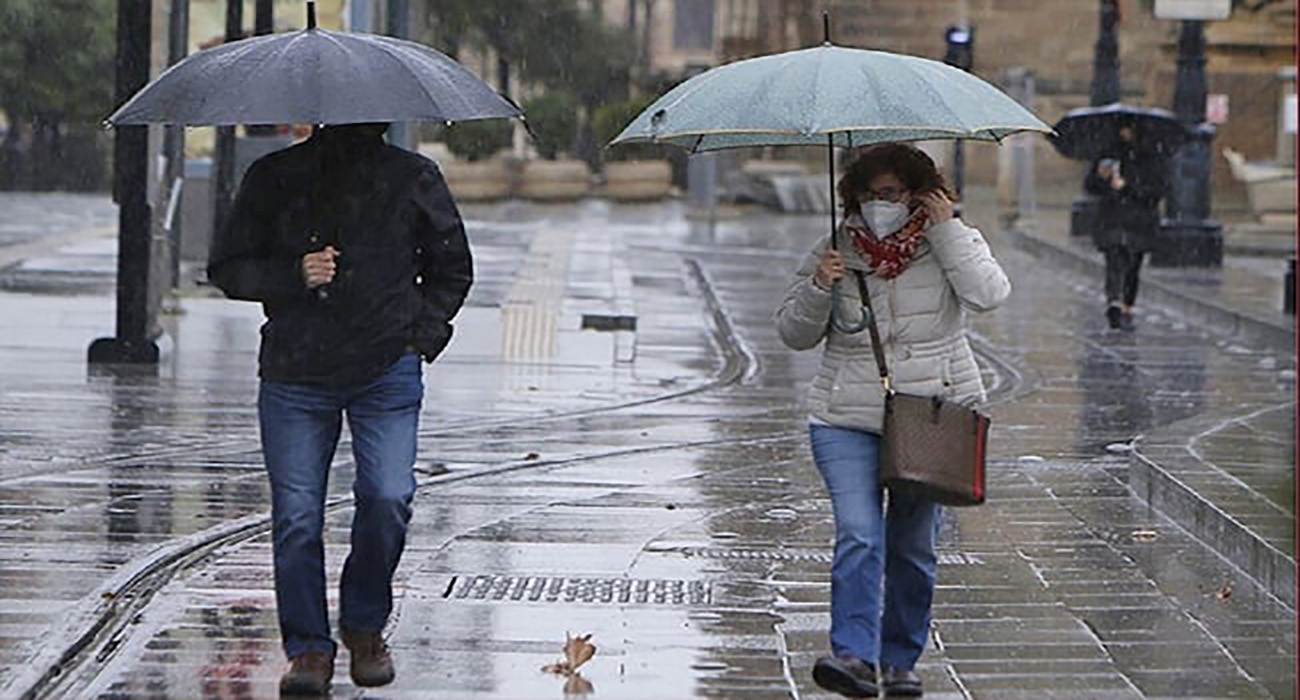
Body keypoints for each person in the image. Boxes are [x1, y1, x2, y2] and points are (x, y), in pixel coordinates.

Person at [208, 122, 472, 696]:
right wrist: (294, 274)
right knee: (298, 516)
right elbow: (227, 267)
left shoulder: (413, 178)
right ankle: (307, 651)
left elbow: (452, 268)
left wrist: (417, 338)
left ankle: (364, 625)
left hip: (386, 371)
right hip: (295, 373)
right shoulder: (275, 176)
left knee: (387, 497)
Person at [774, 144, 1010, 698]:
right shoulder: (834, 249)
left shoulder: (951, 241)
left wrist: (947, 229)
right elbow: (793, 334)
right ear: (852, 196)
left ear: (918, 195)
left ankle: (898, 660)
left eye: (892, 195)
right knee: (859, 532)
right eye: (870, 195)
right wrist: (818, 287)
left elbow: (989, 295)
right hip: (845, 416)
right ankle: (852, 656)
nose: (880, 205)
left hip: (928, 415)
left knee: (913, 546)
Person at [1084, 123, 1168, 330]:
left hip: (1138, 220)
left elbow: (1156, 191)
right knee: (1114, 259)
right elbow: (1090, 186)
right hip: (1113, 217)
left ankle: (1127, 304)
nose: (1125, 133)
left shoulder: (1151, 157)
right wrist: (1101, 178)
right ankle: (1114, 300)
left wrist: (1128, 187)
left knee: (1132, 264)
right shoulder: (1109, 153)